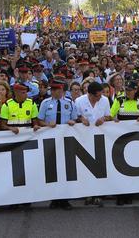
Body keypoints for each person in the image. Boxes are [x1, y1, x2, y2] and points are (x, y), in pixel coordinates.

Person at [37, 80, 79, 210]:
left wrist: (73, 121)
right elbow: (40, 120)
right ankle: (54, 198)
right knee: (52, 170)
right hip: (50, 140)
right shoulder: (45, 103)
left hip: (66, 139)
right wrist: (47, 125)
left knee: (65, 169)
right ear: (52, 91)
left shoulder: (69, 103)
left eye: (61, 90)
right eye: (57, 90)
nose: (60, 92)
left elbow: (75, 118)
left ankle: (65, 199)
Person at [74, 81, 110, 207]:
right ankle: (88, 193)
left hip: (100, 138)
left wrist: (103, 119)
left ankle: (99, 194)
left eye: (101, 95)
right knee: (86, 167)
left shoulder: (105, 100)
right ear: (90, 94)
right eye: (97, 96)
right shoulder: (79, 101)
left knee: (100, 166)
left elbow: (108, 116)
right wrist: (81, 119)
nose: (100, 97)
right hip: (84, 138)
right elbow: (75, 116)